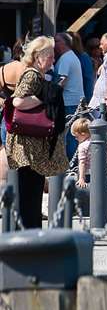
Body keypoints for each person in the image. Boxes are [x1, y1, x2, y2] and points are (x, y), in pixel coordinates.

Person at [5, 37, 68, 229]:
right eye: (50, 56)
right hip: (27, 145)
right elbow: (18, 101)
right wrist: (43, 98)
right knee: (30, 190)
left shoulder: (38, 75)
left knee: (32, 189)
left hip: (32, 143)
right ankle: (28, 233)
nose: (53, 60)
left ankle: (28, 231)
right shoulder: (32, 75)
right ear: (38, 57)